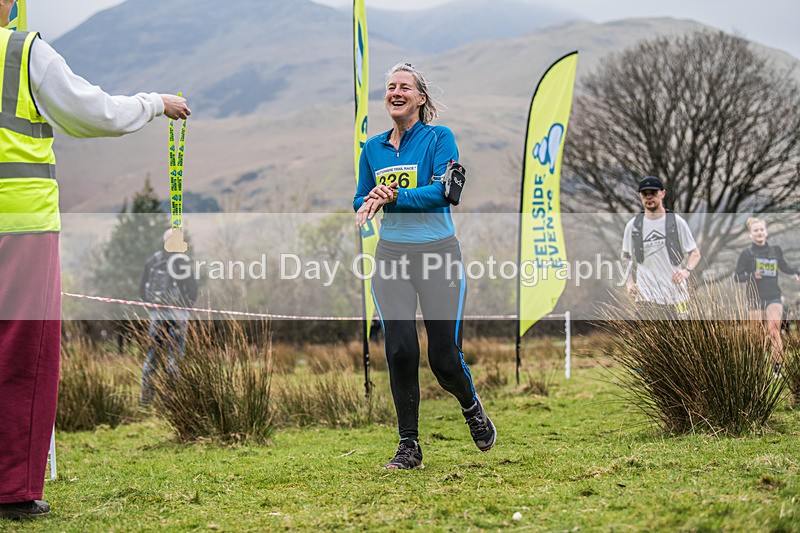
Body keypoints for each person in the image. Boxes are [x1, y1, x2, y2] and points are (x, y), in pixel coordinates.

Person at [0, 3, 191, 519]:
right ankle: (12, 488)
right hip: (19, 226)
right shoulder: (21, 51)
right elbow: (95, 113)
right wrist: (156, 103)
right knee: (23, 351)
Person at [353, 62, 495, 470]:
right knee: (399, 350)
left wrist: (394, 196)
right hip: (391, 257)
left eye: (405, 87)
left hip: (438, 254)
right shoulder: (372, 148)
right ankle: (409, 446)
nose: (395, 92)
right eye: (390, 87)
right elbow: (361, 195)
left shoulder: (439, 138)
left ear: (420, 98)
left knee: (444, 359)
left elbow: (444, 191)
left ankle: (471, 407)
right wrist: (368, 200)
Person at [621, 176, 701, 318]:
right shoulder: (633, 225)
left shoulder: (676, 222)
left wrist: (686, 271)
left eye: (653, 193)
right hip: (646, 295)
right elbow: (625, 256)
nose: (649, 197)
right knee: (649, 337)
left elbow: (694, 252)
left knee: (682, 336)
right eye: (645, 194)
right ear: (640, 196)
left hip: (677, 294)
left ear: (662, 193)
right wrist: (629, 282)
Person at [139, 229, 197, 405]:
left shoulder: (152, 260)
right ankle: (174, 400)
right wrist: (184, 308)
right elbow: (193, 290)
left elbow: (142, 290)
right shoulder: (182, 261)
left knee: (152, 356)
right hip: (178, 315)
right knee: (175, 357)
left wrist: (153, 308)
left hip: (157, 315)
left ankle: (146, 400)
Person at [734, 217, 800, 362]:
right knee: (757, 335)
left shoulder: (775, 251)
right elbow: (737, 277)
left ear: (766, 232)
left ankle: (777, 368)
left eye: (762, 230)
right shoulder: (746, 254)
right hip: (754, 298)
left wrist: (797, 271)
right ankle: (759, 365)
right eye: (756, 230)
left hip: (773, 296)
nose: (759, 232)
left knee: (773, 331)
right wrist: (752, 276)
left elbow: (784, 266)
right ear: (750, 234)